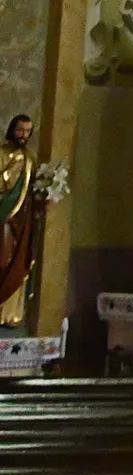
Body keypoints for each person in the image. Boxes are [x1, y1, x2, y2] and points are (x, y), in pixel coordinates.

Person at [0, 114, 39, 327]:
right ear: (12, 129)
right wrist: (9, 173)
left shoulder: (31, 158)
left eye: (27, 131)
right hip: (3, 217)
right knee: (2, 261)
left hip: (22, 221)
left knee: (18, 263)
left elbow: (31, 190)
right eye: (19, 130)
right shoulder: (2, 153)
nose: (23, 135)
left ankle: (10, 314)